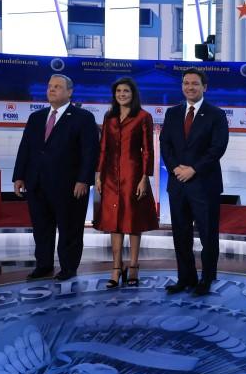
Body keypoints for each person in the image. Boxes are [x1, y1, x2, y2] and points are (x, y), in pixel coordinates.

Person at [13, 74, 100, 281]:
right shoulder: (36, 117)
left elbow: (90, 152)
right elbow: (25, 148)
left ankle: (68, 267)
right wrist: (19, 176)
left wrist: (83, 180)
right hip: (37, 182)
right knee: (41, 228)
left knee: (70, 228)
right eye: (50, 86)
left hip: (69, 185)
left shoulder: (83, 117)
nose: (52, 90)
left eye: (58, 87)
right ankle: (43, 265)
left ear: (70, 92)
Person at [160, 68, 229, 296]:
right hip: (177, 183)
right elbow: (165, 145)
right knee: (181, 234)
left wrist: (194, 169)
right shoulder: (172, 113)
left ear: (204, 87)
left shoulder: (216, 114)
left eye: (195, 84)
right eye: (186, 83)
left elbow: (217, 148)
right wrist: (175, 168)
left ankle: (206, 279)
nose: (190, 87)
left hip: (204, 184)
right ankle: (185, 278)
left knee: (208, 235)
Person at [94, 77, 159, 288]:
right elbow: (103, 148)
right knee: (114, 222)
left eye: (126, 91)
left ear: (133, 94)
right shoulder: (109, 117)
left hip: (133, 175)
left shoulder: (143, 117)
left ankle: (133, 266)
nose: (122, 94)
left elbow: (148, 150)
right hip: (111, 176)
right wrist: (98, 175)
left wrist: (144, 179)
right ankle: (115, 267)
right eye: (119, 91)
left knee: (132, 221)